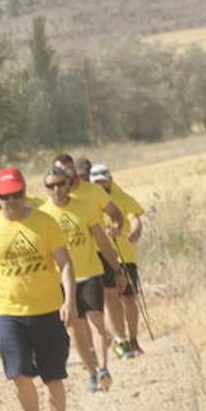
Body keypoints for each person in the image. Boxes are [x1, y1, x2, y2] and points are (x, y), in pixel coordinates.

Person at [0, 167, 78, 411]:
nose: (13, 201)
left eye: (17, 194)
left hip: (47, 311)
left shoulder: (45, 222)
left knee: (53, 377)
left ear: (24, 191)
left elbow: (66, 264)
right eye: (6, 196)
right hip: (10, 314)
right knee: (18, 375)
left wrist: (69, 301)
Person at [38, 166, 123, 392]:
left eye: (60, 184)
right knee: (76, 328)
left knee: (96, 320)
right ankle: (92, 372)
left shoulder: (84, 208)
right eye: (51, 186)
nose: (57, 189)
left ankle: (104, 368)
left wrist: (116, 268)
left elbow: (102, 242)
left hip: (90, 273)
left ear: (69, 184)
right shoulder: (43, 215)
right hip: (61, 281)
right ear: (46, 189)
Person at [53, 154, 127, 353]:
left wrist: (117, 226)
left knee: (111, 295)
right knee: (82, 310)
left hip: (101, 250)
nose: (65, 175)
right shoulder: (54, 198)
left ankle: (121, 340)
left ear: (75, 171)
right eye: (60, 171)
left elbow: (116, 213)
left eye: (68, 170)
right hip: (73, 258)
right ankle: (97, 345)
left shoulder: (93, 191)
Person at [92, 164, 148, 356]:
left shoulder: (123, 197)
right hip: (103, 256)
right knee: (110, 298)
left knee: (129, 298)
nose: (100, 184)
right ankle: (120, 339)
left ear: (110, 179)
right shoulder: (90, 202)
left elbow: (135, 219)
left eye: (103, 180)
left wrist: (134, 232)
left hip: (126, 256)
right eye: (96, 181)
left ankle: (133, 340)